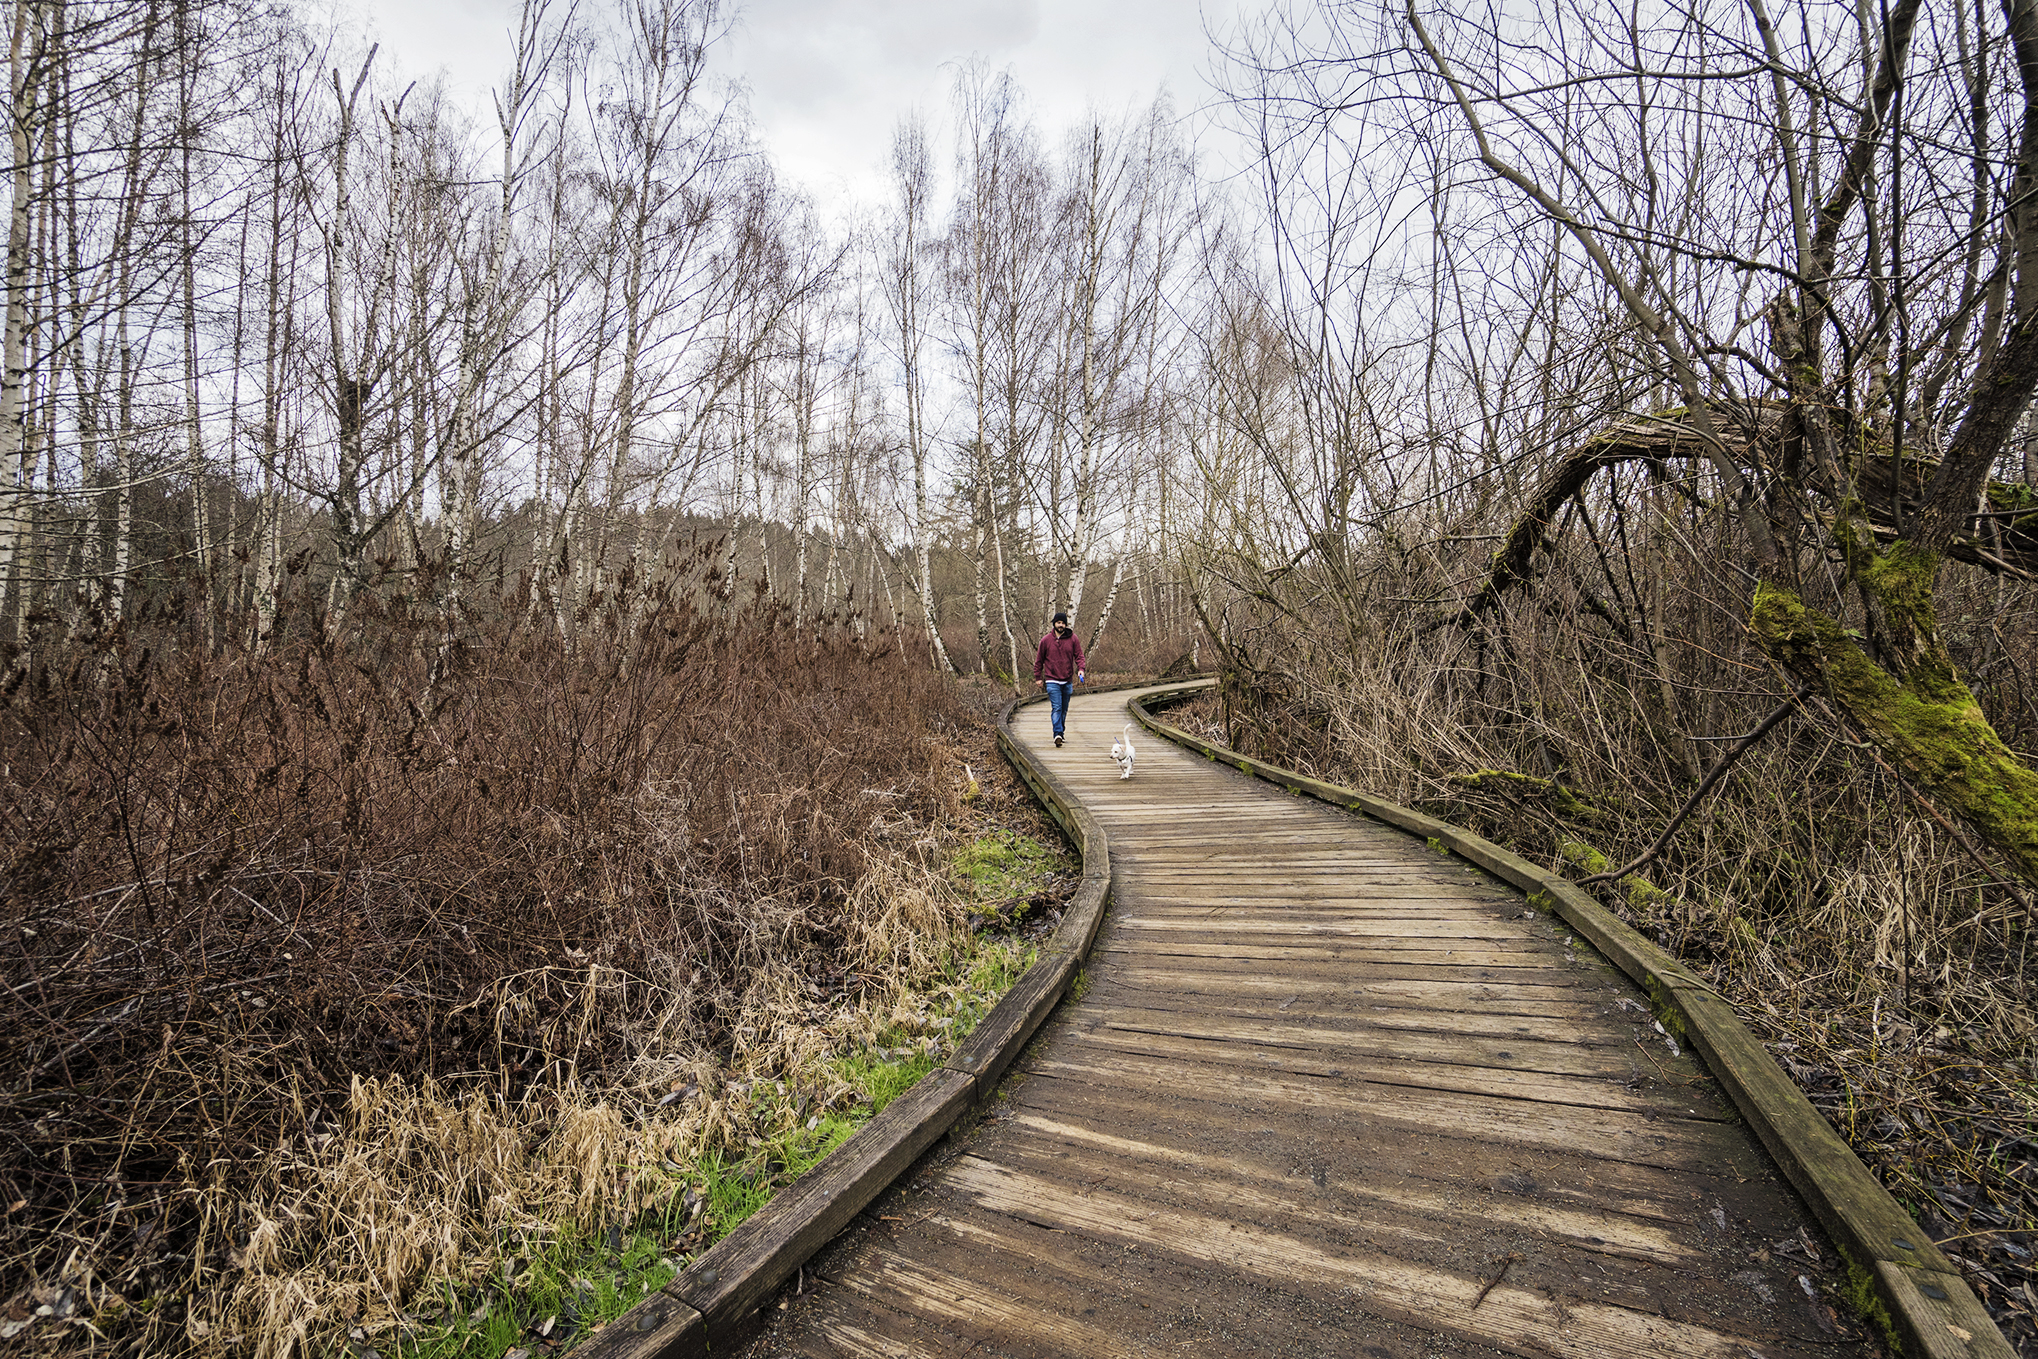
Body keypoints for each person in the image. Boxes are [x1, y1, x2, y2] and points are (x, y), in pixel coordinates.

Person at [1033, 612, 1086, 747]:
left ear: (1066, 625)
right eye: (1058, 623)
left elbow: (1079, 656)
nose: (1060, 625)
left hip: (1067, 679)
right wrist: (1038, 677)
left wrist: (1081, 669)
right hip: (1052, 679)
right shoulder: (1046, 640)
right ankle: (1057, 733)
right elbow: (1039, 660)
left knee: (1064, 709)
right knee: (1057, 707)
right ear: (1054, 624)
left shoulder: (1073, 639)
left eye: (1063, 623)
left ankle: (1060, 733)